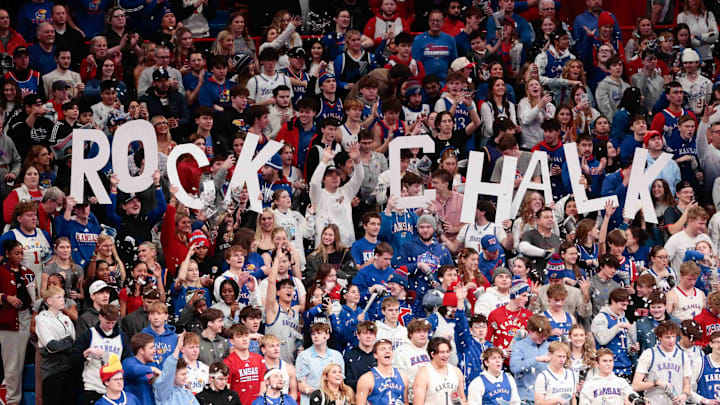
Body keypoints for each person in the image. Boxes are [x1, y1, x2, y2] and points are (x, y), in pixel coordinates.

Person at [72, 304, 132, 405]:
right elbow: (73, 358)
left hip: (113, 388)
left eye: (113, 323)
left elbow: (127, 361)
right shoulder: (89, 335)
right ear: (100, 317)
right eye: (107, 322)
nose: (110, 326)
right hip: (92, 385)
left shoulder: (122, 338)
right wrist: (85, 354)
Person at [631, 320, 691, 404]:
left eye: (673, 336)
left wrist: (684, 395)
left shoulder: (683, 356)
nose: (671, 340)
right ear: (660, 337)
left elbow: (687, 385)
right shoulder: (649, 354)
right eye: (667, 337)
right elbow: (635, 385)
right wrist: (656, 383)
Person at [591, 288, 633, 379]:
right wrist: (617, 327)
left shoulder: (624, 319)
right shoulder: (601, 318)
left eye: (626, 305)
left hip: (626, 368)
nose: (625, 308)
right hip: (607, 370)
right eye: (623, 305)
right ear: (613, 301)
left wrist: (632, 349)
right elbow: (602, 339)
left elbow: (627, 344)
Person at [355, 339, 408, 405]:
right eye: (383, 349)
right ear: (375, 355)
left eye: (390, 349)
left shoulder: (403, 377)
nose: (387, 351)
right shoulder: (366, 379)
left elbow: (405, 402)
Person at [224, 324, 266, 405]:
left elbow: (262, 384)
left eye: (246, 336)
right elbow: (226, 390)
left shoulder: (259, 358)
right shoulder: (228, 363)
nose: (244, 339)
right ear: (232, 341)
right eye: (239, 337)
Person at [411, 9, 457, 81]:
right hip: (425, 81)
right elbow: (415, 63)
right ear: (428, 22)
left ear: (443, 22)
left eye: (438, 20)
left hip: (445, 81)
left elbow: (454, 63)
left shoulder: (450, 40)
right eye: (432, 20)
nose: (435, 23)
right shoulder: (418, 40)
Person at [122, 333, 161, 405]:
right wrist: (152, 369)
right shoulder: (128, 362)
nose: (154, 351)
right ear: (141, 351)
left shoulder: (151, 364)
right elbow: (133, 370)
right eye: (151, 348)